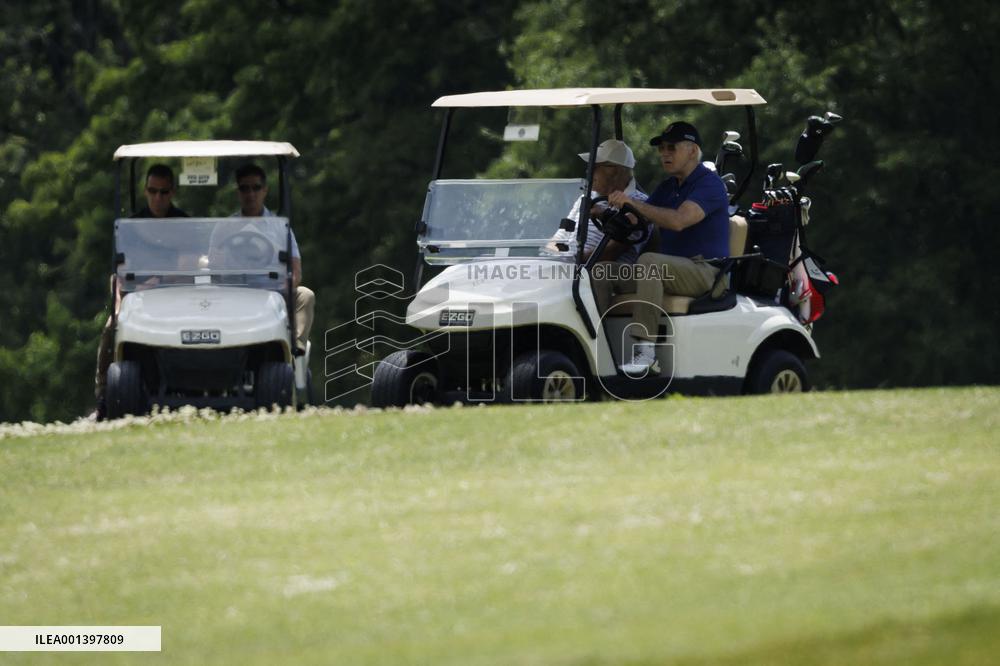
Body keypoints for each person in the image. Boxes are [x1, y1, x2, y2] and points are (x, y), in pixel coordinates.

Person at [606, 121, 730, 375]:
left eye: (671, 148)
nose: (664, 153)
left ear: (692, 150)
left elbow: (678, 221)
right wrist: (608, 213)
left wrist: (632, 203)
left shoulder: (710, 184)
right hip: (672, 270)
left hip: (706, 272)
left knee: (650, 262)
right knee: (600, 273)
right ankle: (598, 347)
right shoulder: (668, 187)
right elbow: (638, 219)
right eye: (661, 148)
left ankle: (646, 352)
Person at [93, 164, 188, 417]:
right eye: (153, 191)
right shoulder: (132, 227)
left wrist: (162, 279)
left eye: (164, 192)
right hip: (139, 298)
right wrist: (118, 305)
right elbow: (119, 273)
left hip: (176, 297)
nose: (158, 198)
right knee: (110, 329)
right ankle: (104, 396)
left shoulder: (184, 224)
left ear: (173, 192)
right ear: (145, 191)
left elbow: (188, 268)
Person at [228, 163, 315, 355]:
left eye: (256, 188)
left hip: (274, 292)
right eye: (244, 188)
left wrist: (286, 285)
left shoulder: (279, 227)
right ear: (238, 192)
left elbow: (296, 270)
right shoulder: (225, 227)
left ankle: (296, 346)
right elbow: (213, 266)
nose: (250, 194)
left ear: (265, 190)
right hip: (236, 293)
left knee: (305, 295)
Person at [548, 139, 650, 263]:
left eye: (594, 166)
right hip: (568, 267)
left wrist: (571, 261)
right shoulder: (586, 197)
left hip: (601, 273)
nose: (588, 171)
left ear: (615, 170)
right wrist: (551, 258)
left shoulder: (640, 204)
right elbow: (559, 238)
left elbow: (611, 252)